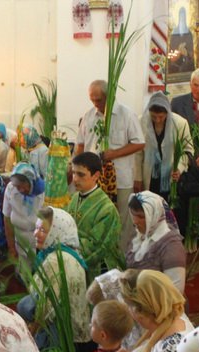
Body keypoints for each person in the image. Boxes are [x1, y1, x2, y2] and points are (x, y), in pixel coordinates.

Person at [75, 79, 145, 250]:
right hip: (94, 179)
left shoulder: (126, 114)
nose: (95, 103)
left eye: (98, 100)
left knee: (122, 218)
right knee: (96, 215)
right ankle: (100, 254)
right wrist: (76, 169)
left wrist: (114, 153)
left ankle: (121, 255)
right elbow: (80, 145)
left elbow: (139, 143)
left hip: (120, 178)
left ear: (109, 96)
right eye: (92, 100)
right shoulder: (88, 116)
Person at [16, 206, 89, 352]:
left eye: (43, 231)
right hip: (74, 331)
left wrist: (31, 334)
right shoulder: (69, 251)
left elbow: (45, 309)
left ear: (57, 232)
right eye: (37, 228)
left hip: (61, 335)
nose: (36, 234)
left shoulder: (55, 261)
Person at [65, 152, 124, 279]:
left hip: (99, 270)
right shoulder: (73, 198)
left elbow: (98, 246)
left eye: (81, 174)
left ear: (96, 175)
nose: (75, 179)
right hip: (72, 260)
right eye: (74, 173)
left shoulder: (106, 209)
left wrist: (68, 250)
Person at [126, 191, 187, 294]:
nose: (135, 221)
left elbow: (175, 292)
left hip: (159, 302)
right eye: (133, 215)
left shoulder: (171, 246)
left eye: (141, 217)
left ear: (154, 215)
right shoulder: (139, 236)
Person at [137, 92, 192, 203]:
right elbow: (137, 153)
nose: (157, 120)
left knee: (167, 207)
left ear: (167, 112)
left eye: (161, 117)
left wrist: (179, 168)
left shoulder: (180, 123)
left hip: (170, 174)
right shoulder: (141, 121)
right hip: (149, 174)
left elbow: (188, 150)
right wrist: (137, 178)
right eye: (153, 116)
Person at [3, 162, 44, 260]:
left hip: (39, 246)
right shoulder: (11, 188)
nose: (21, 190)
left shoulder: (44, 192)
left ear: (31, 181)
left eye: (24, 186)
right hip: (20, 243)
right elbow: (6, 218)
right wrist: (11, 247)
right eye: (17, 187)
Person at [167, 7, 195, 74]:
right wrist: (179, 51)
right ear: (178, 17)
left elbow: (191, 52)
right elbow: (171, 50)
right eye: (181, 15)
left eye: (183, 15)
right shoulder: (174, 32)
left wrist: (186, 53)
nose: (182, 17)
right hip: (175, 65)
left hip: (187, 65)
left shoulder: (189, 33)